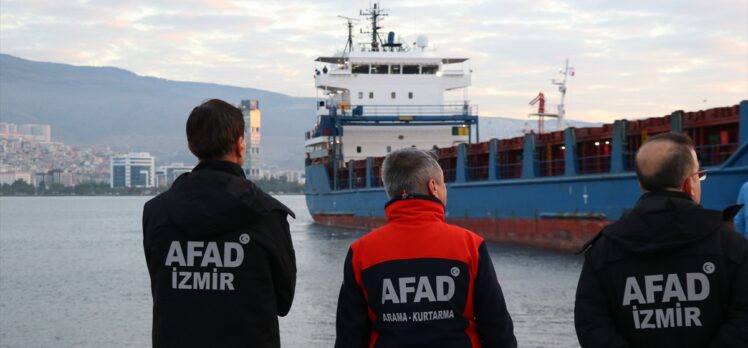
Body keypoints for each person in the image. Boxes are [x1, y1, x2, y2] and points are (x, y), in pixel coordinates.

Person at [142, 99, 296, 348]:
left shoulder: (156, 212)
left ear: (191, 147)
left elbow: (160, 287)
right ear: (240, 144)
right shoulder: (268, 214)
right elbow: (283, 301)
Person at [574, 132, 748, 347]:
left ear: (640, 184)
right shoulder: (732, 246)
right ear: (689, 184)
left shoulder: (603, 249)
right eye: (699, 175)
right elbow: (742, 323)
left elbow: (591, 325)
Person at [335, 148, 516, 347]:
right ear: (433, 187)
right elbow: (498, 331)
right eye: (444, 184)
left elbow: (349, 337)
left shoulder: (360, 253)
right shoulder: (470, 246)